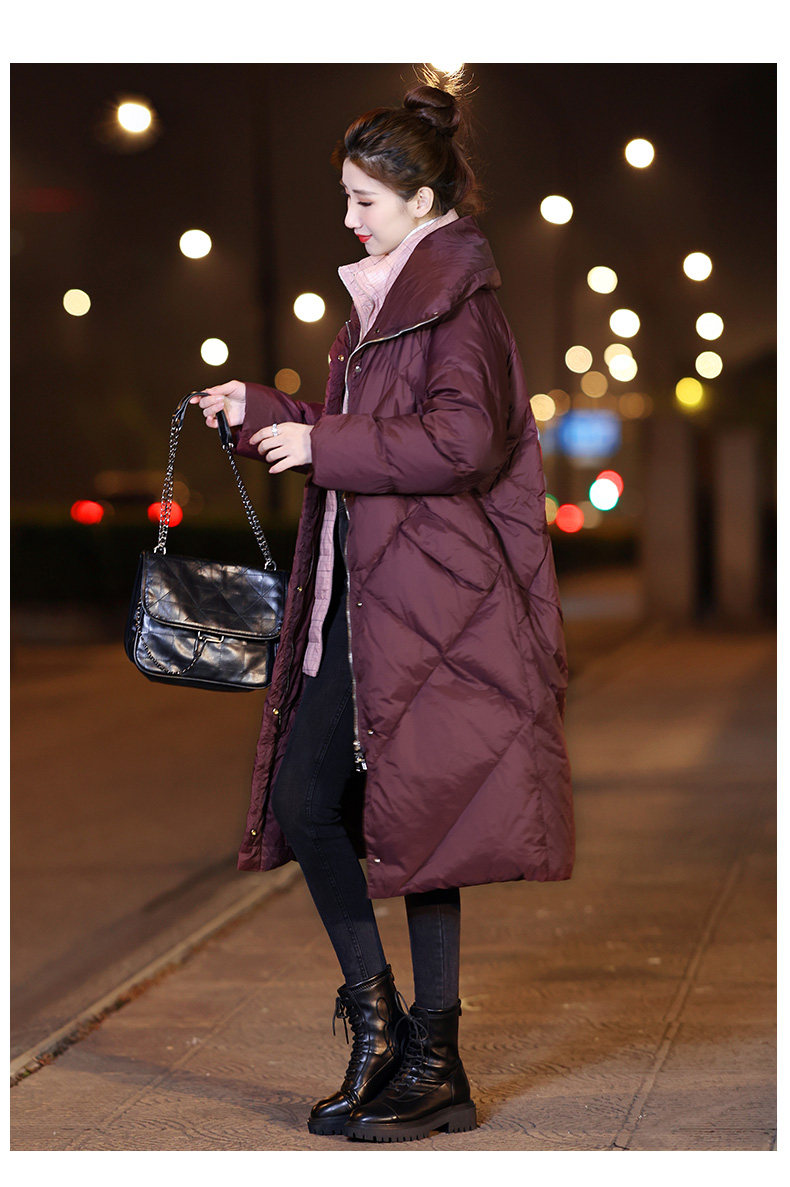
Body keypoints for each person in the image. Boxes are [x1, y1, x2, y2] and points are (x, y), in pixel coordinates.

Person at [191, 74, 574, 1144]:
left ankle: (428, 1057)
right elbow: (372, 430)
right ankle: (386, 1028)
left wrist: (323, 442)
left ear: (422, 200)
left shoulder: (459, 304)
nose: (351, 218)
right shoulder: (388, 299)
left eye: (365, 199)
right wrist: (264, 412)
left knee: (411, 812)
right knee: (331, 802)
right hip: (369, 594)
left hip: (430, 602)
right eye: (348, 199)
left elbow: (463, 440)